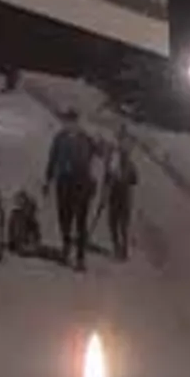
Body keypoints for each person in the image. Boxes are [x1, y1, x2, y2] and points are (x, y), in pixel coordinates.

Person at [43, 103, 97, 272]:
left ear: (77, 121)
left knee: (81, 221)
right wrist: (48, 179)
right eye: (67, 120)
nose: (69, 124)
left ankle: (80, 258)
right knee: (64, 217)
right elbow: (52, 159)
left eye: (72, 120)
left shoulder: (86, 139)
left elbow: (98, 158)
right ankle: (66, 246)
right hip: (64, 182)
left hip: (82, 183)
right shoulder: (59, 138)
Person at [98, 121, 138, 261]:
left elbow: (134, 180)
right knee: (114, 222)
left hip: (123, 192)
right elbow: (107, 176)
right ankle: (117, 248)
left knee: (122, 224)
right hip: (116, 191)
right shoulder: (113, 158)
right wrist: (104, 193)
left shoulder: (128, 162)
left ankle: (123, 249)